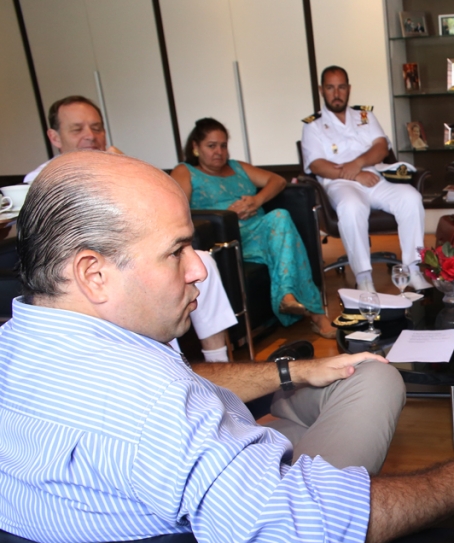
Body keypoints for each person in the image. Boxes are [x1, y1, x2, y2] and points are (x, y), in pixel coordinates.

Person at [0, 150, 454, 543]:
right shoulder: (144, 402)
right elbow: (305, 530)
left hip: (220, 470)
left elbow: (181, 397)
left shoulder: (24, 342)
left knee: (367, 372)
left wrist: (293, 373)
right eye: (177, 250)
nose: (200, 270)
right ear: (92, 273)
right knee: (382, 385)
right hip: (258, 536)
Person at [26, 96, 236, 362]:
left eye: (97, 127)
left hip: (139, 252)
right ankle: (172, 367)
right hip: (95, 273)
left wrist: (124, 166)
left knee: (203, 261)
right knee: (157, 274)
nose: (91, 136)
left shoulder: (118, 168)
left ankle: (218, 359)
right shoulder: (41, 182)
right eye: (78, 129)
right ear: (54, 137)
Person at [172, 118, 335, 339]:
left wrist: (256, 201)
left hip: (260, 230)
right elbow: (176, 209)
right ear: (195, 147)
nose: (219, 151)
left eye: (223, 145)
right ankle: (316, 315)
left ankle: (288, 297)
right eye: (211, 146)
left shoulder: (238, 167)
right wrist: (224, 215)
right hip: (227, 238)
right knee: (281, 221)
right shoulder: (186, 171)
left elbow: (277, 180)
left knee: (280, 217)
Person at [301, 66, 431, 293]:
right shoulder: (313, 125)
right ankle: (363, 276)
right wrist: (353, 173)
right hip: (340, 183)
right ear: (322, 90)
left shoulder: (365, 116)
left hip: (373, 177)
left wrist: (358, 164)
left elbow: (381, 148)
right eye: (330, 88)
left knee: (411, 197)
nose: (337, 93)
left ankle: (413, 269)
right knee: (352, 207)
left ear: (348, 89)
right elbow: (317, 165)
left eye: (341, 87)